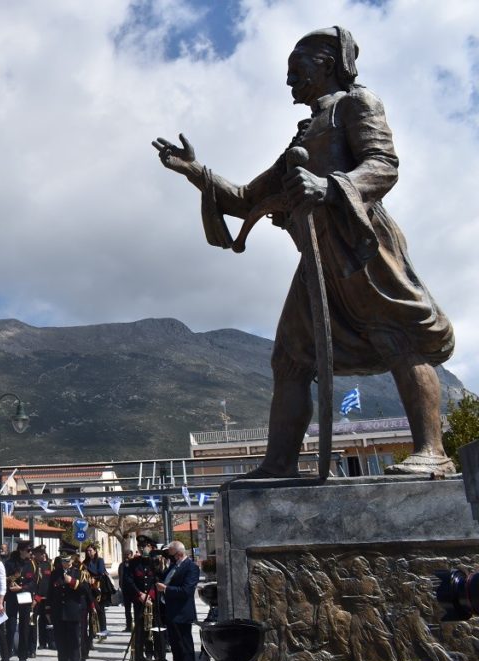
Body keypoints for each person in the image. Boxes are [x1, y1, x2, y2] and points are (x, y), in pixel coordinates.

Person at [153, 26, 455, 478]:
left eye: (297, 69)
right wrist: (195, 171)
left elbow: (383, 165)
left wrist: (329, 186)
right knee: (292, 358)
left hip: (358, 241)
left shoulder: (356, 104)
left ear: (327, 63)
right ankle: (280, 464)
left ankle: (432, 452)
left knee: (398, 337)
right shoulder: (303, 135)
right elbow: (246, 198)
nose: (289, 80)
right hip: (316, 256)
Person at [42, 542, 92, 661]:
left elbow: (86, 590)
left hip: (73, 612)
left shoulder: (79, 573)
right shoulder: (55, 573)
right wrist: (48, 610)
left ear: (73, 558)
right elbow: (50, 593)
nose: (65, 563)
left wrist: (72, 582)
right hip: (58, 612)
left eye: (67, 560)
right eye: (63, 560)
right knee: (60, 641)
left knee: (74, 641)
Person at [156, 541, 199, 661]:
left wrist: (166, 589)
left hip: (182, 614)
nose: (169, 556)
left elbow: (186, 591)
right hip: (170, 613)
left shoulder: (191, 567)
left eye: (171, 554)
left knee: (185, 648)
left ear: (179, 554)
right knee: (176, 648)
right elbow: (163, 578)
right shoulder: (173, 566)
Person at [4, 540, 39, 661]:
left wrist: (22, 588)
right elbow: (4, 579)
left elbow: (34, 582)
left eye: (31, 550)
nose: (30, 553)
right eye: (28, 550)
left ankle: (23, 656)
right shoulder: (10, 563)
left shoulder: (32, 564)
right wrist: (11, 584)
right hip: (12, 597)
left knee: (25, 627)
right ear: (21, 550)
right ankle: (6, 654)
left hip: (25, 596)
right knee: (10, 626)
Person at [82, 544, 110, 638]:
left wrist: (94, 577)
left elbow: (101, 572)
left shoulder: (99, 560)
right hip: (89, 588)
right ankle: (93, 631)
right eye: (87, 551)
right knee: (91, 610)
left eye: (90, 550)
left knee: (100, 609)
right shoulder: (85, 562)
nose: (89, 552)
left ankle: (103, 630)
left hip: (99, 587)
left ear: (95, 551)